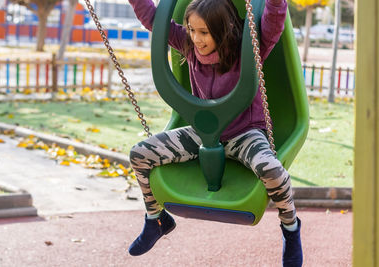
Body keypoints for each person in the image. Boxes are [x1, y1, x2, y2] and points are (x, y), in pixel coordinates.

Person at [126, 0, 303, 265]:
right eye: (191, 30)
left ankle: (290, 228)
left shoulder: (249, 46)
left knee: (272, 171)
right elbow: (153, 19)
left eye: (204, 32)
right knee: (139, 155)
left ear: (223, 29)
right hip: (202, 132)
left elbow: (274, 18)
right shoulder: (189, 44)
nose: (196, 39)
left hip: (245, 133)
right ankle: (156, 219)